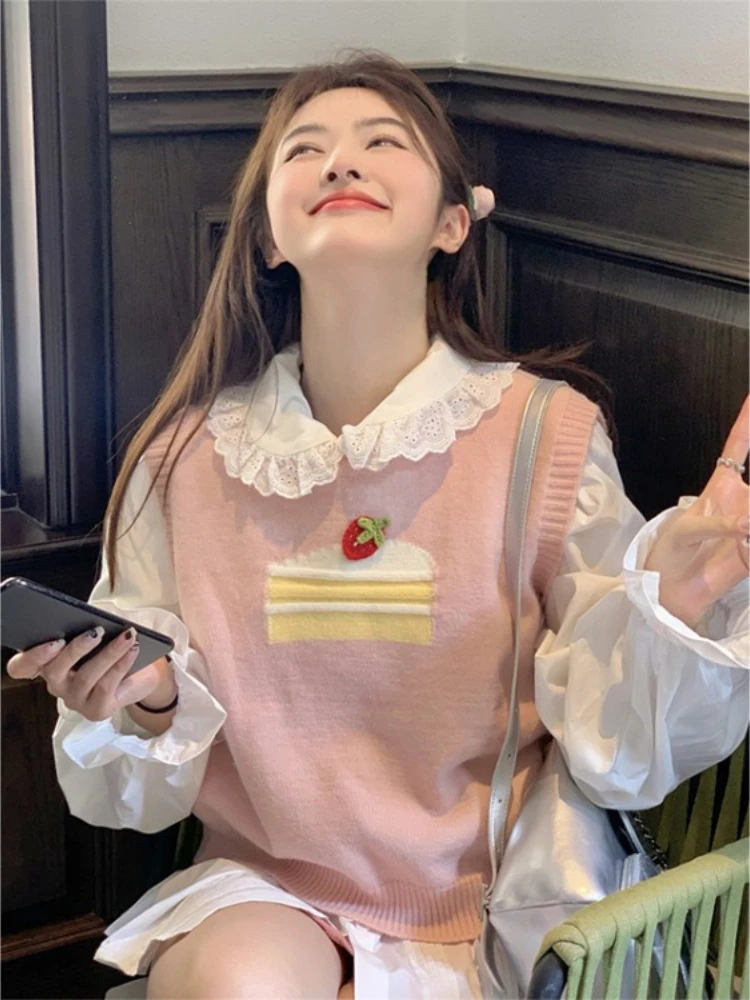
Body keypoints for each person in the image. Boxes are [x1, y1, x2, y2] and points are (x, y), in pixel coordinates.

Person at [8, 52, 748, 999]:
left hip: (498, 905)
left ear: (451, 222)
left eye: (382, 142)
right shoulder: (183, 458)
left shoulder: (544, 435)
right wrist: (147, 702)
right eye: (303, 149)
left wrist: (672, 607)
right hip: (268, 890)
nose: (340, 162)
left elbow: (618, 757)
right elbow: (138, 778)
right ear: (267, 238)